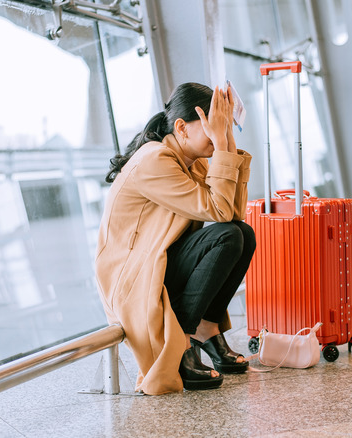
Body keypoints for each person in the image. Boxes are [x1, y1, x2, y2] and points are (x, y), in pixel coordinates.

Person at [95, 82, 254, 394]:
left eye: (222, 126)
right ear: (182, 127)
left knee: (241, 234)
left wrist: (226, 141)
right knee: (227, 237)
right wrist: (222, 145)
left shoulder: (187, 160)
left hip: (159, 263)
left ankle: (206, 328)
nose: (218, 134)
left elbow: (234, 213)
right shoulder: (155, 159)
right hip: (134, 279)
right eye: (212, 125)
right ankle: (181, 344)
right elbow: (221, 211)